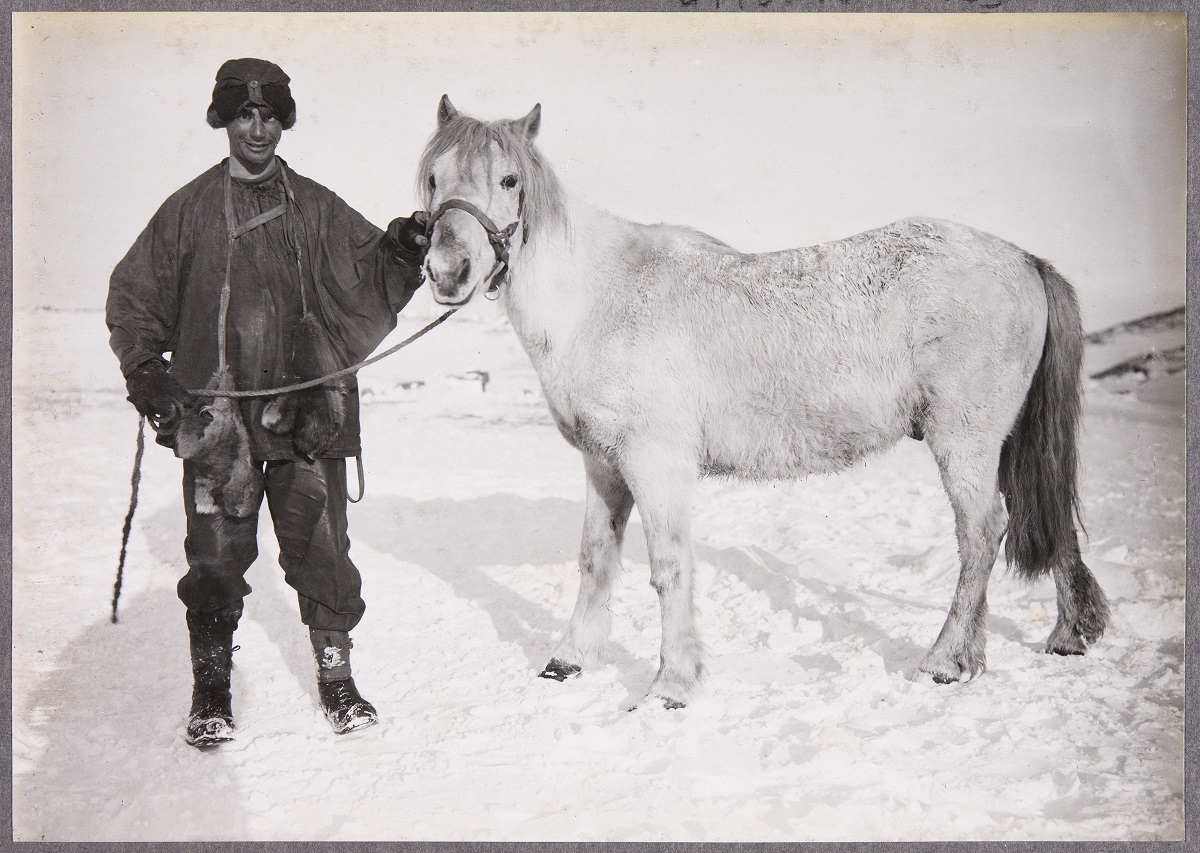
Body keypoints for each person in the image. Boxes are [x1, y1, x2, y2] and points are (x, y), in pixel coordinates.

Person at [106, 58, 428, 747]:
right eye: (244, 114)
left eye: (271, 114)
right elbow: (133, 300)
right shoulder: (187, 211)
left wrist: (402, 250)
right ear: (223, 118)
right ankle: (212, 687)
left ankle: (337, 677)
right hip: (219, 426)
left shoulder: (315, 207)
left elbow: (370, 270)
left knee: (322, 549)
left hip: (306, 418)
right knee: (215, 559)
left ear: (285, 119)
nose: (258, 128)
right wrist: (149, 377)